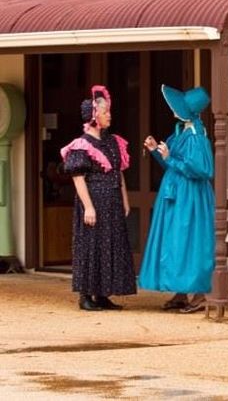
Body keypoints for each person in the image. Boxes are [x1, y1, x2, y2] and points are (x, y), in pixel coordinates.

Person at [138, 85, 215, 314]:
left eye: (177, 107)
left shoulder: (196, 136)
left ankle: (199, 294)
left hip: (190, 198)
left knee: (190, 242)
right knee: (176, 242)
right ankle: (182, 292)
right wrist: (156, 151)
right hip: (177, 194)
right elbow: (171, 163)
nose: (173, 110)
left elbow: (202, 170)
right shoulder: (182, 131)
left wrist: (170, 158)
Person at [60, 85, 137, 311]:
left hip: (112, 201)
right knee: (91, 246)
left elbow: (118, 171)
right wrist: (88, 208)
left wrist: (124, 199)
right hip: (94, 200)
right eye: (105, 112)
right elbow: (78, 178)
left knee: (111, 246)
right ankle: (85, 296)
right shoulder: (82, 145)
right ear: (94, 117)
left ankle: (103, 294)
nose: (109, 115)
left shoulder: (113, 141)